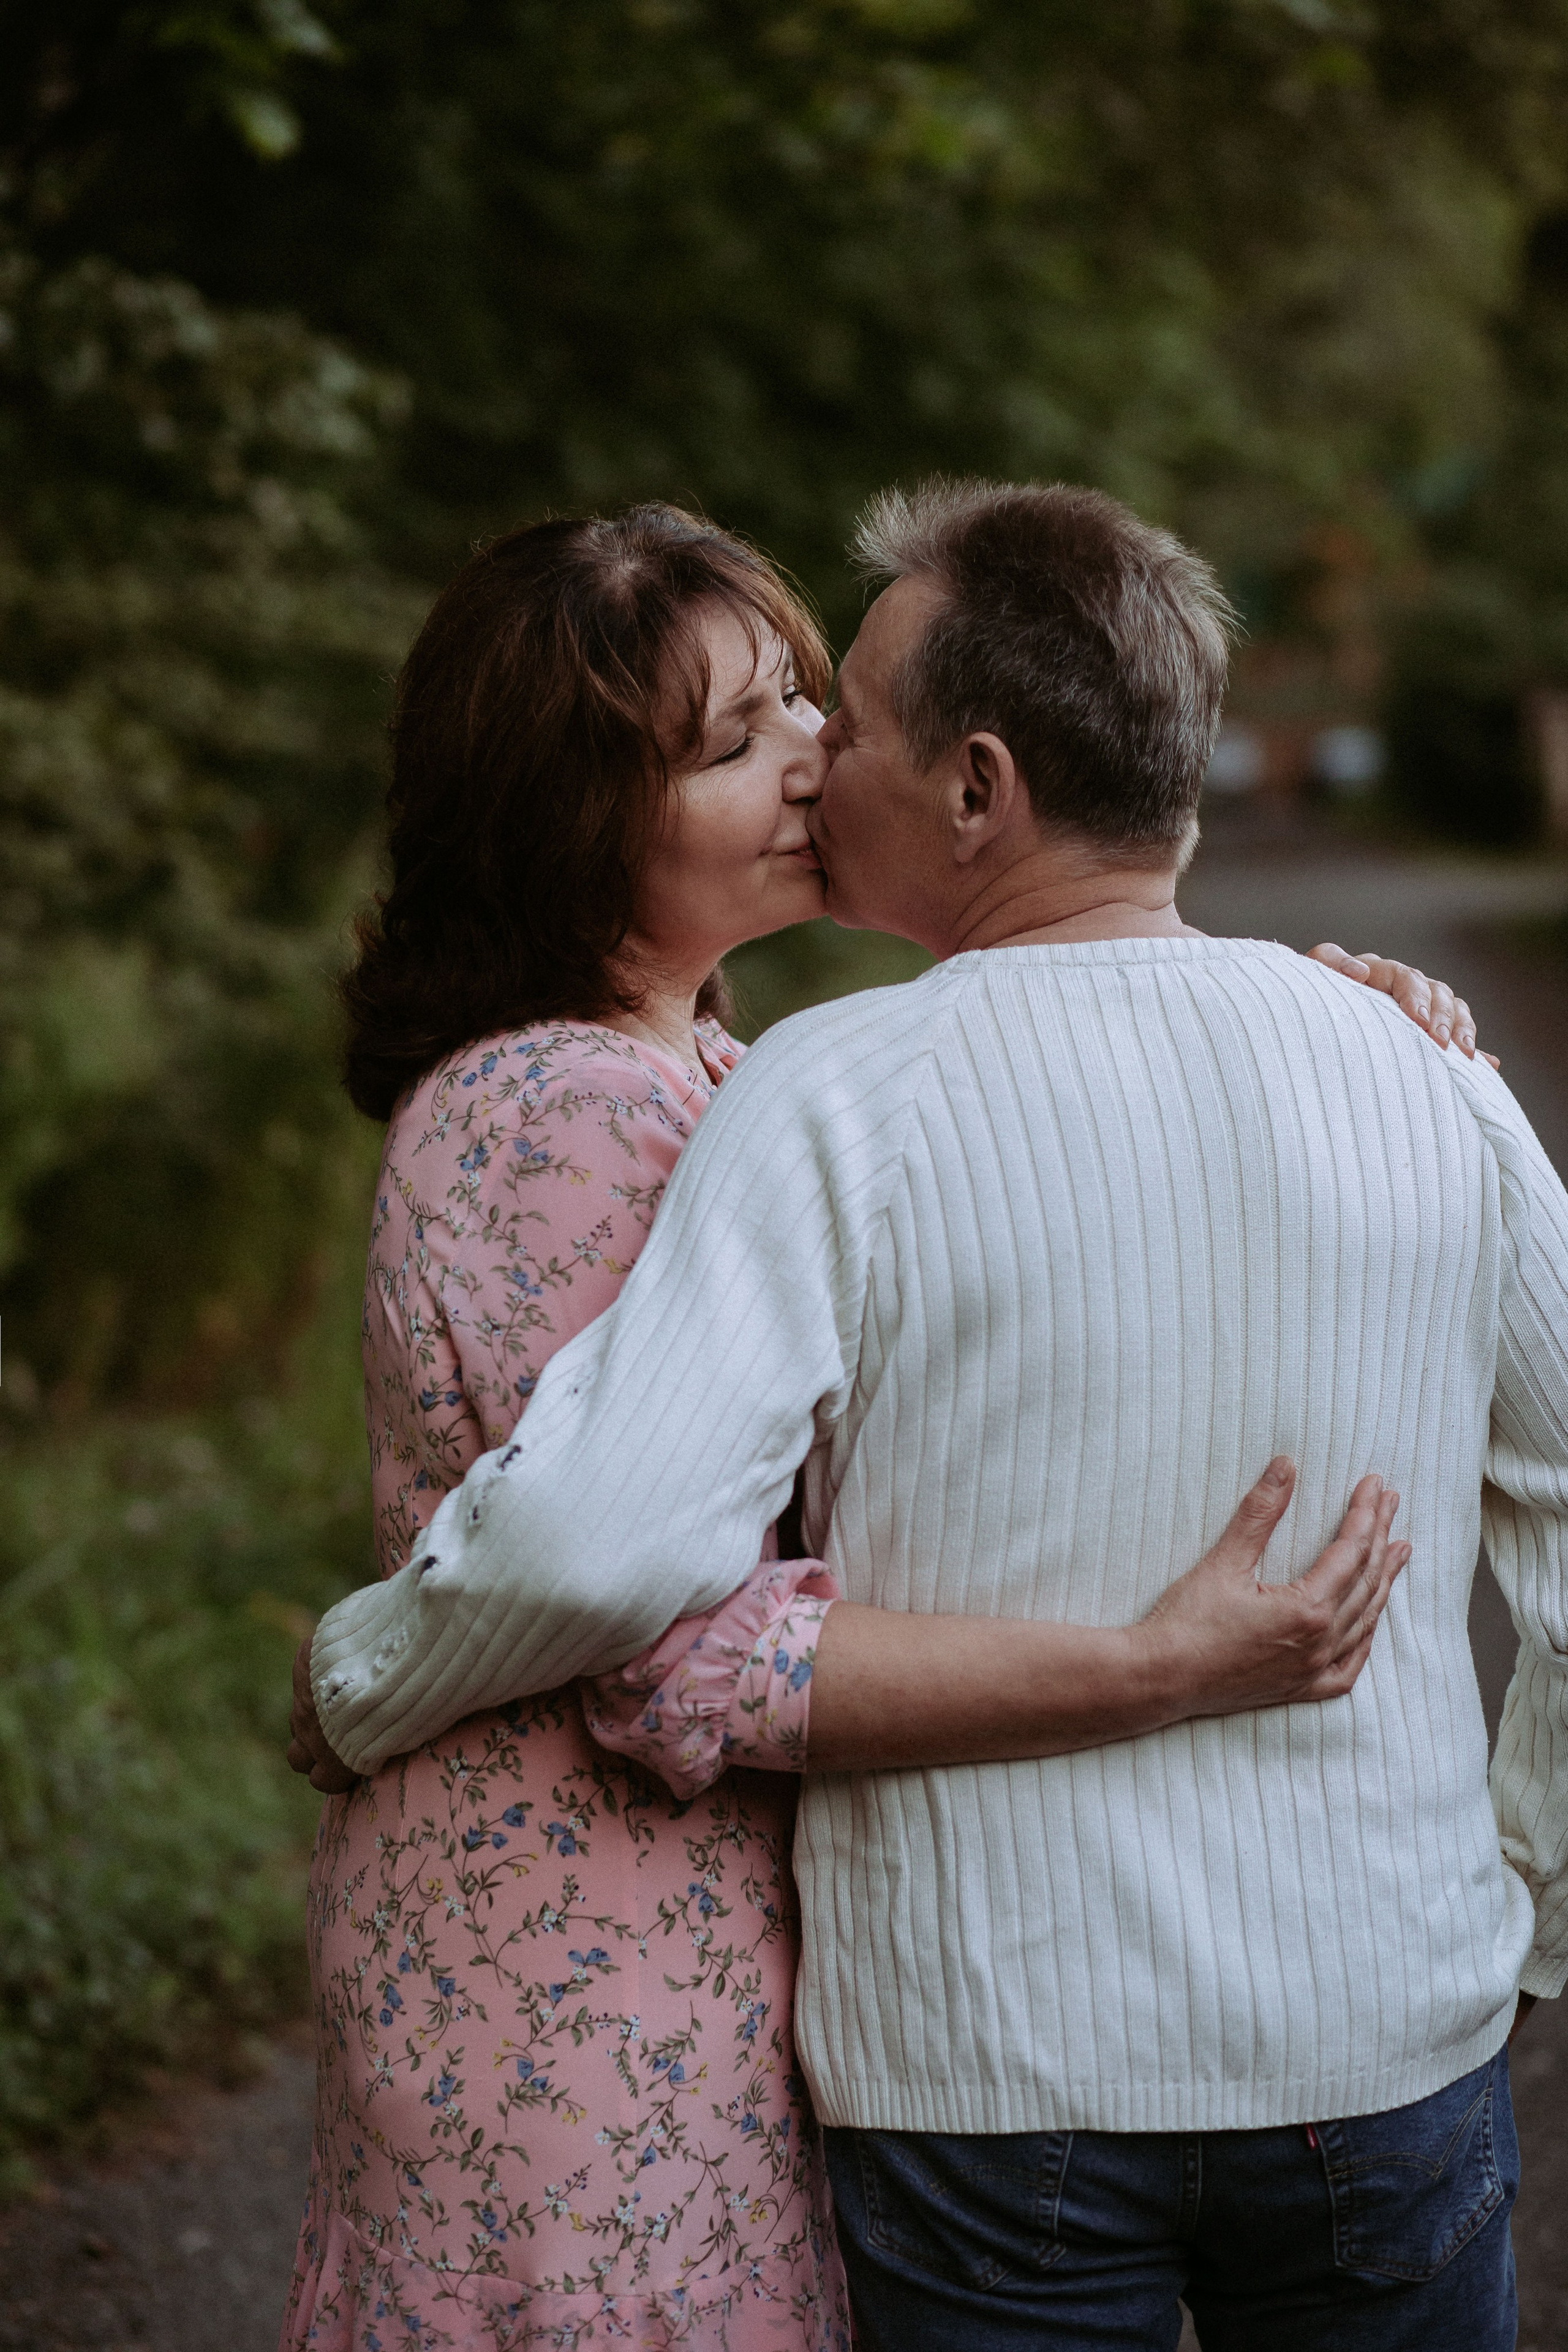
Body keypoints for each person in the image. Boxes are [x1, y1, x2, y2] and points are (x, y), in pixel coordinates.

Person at [294, 481, 1565, 2352]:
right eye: (748, 734)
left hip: (866, 2033)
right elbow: (655, 1623)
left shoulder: (769, 1086)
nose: (815, 757)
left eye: (820, 705)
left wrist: (1337, 1028)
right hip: (631, 2009)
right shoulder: (601, 1107)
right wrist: (1510, 1895)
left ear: (977, 788)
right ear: (583, 818)